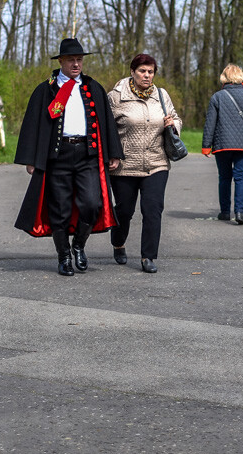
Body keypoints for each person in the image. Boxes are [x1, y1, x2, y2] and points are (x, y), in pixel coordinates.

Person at [14, 38, 123, 276]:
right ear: (61, 61)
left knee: (92, 203)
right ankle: (63, 256)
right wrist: (31, 158)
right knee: (59, 209)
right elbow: (33, 123)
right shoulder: (47, 89)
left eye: (79, 60)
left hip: (87, 154)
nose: (76, 64)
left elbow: (107, 122)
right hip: (58, 156)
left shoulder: (93, 87)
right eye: (71, 60)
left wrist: (113, 152)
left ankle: (79, 246)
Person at [107, 54, 183, 273]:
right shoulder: (115, 97)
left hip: (156, 162)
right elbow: (106, 129)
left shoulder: (161, 95)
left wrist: (173, 124)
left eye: (151, 72)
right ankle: (118, 242)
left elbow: (176, 117)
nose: (147, 75)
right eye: (142, 71)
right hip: (125, 165)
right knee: (124, 210)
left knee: (152, 210)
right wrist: (112, 154)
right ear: (132, 72)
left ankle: (148, 256)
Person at [202, 64, 243, 225]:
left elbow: (210, 123)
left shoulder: (217, 97)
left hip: (222, 144)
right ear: (240, 77)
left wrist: (206, 146)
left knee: (224, 178)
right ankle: (239, 212)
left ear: (224, 78)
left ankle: (225, 212)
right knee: (241, 178)